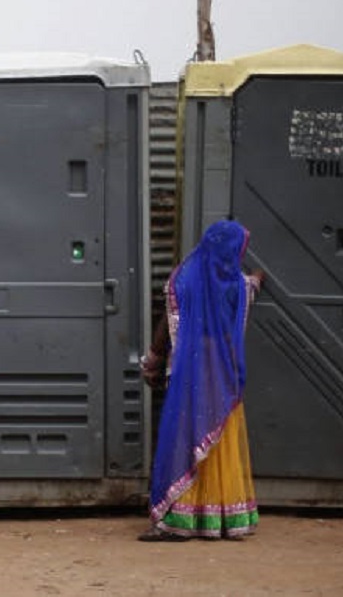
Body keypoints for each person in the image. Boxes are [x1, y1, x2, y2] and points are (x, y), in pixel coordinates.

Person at [139, 219, 265, 541]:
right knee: (218, 444)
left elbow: (166, 325)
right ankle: (223, 518)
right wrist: (258, 279)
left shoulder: (183, 279)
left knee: (186, 438)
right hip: (223, 379)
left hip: (189, 376)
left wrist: (152, 361)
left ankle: (181, 520)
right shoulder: (238, 285)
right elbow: (251, 287)